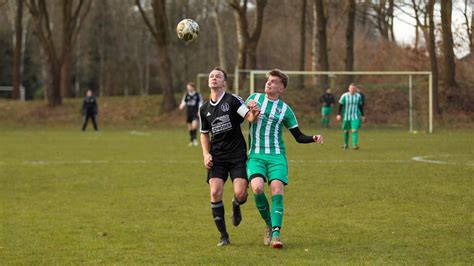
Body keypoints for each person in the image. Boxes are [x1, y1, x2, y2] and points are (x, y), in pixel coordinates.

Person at [244, 69, 323, 249]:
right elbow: (242, 116)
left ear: (282, 88)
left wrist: (313, 138)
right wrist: (248, 107)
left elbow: (298, 136)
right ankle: (269, 224)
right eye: (268, 80)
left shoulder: (285, 110)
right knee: (256, 188)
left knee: (277, 189)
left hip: (276, 156)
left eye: (273, 82)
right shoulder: (255, 98)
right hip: (255, 154)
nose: (269, 83)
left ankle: (276, 234)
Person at [199, 67, 260, 246]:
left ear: (224, 82)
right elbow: (203, 133)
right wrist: (205, 153)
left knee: (241, 193)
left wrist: (253, 113)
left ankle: (236, 203)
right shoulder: (204, 109)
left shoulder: (232, 100)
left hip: (236, 155)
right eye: (211, 76)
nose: (214, 78)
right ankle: (224, 236)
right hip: (217, 156)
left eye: (218, 76)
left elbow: (249, 117)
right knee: (215, 191)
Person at [336, 83, 365, 149]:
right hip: (346, 117)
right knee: (346, 131)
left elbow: (360, 106)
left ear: (355, 89)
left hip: (355, 117)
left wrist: (363, 115)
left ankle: (354, 145)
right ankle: (346, 145)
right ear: (349, 89)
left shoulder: (358, 96)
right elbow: (341, 105)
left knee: (354, 130)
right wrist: (339, 114)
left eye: (353, 89)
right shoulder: (344, 95)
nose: (352, 90)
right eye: (351, 88)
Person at [179, 82, 203, 146]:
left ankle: (194, 139)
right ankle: (191, 140)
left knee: (194, 125)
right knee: (190, 127)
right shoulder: (186, 95)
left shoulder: (197, 95)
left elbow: (200, 103)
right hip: (189, 112)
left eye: (189, 87)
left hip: (195, 112)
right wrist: (181, 106)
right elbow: (184, 101)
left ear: (193, 87)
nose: (188, 88)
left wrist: (199, 111)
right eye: (187, 87)